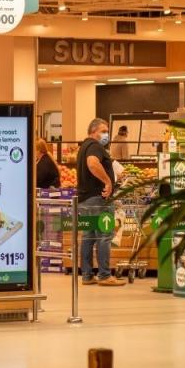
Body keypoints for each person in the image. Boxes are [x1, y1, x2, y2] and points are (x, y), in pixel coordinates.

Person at [76, 118, 125, 287]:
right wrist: (107, 182)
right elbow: (92, 163)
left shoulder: (83, 147)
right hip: (98, 199)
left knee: (88, 237)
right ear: (93, 131)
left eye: (107, 131)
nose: (106, 134)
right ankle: (104, 275)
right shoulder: (95, 146)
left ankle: (87, 275)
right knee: (105, 235)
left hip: (84, 200)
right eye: (103, 131)